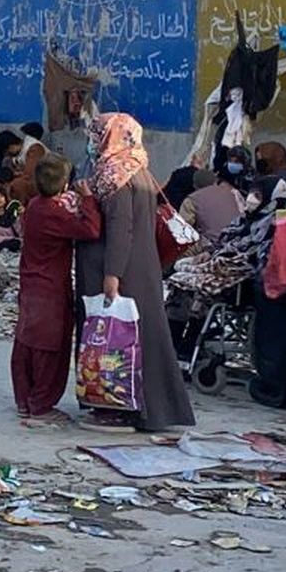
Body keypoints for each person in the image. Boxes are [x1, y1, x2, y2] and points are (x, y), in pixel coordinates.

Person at [74, 113, 197, 434]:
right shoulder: (138, 169)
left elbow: (121, 227)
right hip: (142, 268)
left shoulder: (115, 175)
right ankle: (150, 408)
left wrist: (112, 274)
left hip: (122, 272)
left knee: (118, 341)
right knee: (144, 338)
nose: (93, 139)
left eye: (97, 133)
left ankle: (118, 409)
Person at [13, 155, 101, 426]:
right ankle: (40, 406)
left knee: (26, 343)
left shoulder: (35, 207)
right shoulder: (53, 212)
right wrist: (87, 199)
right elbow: (91, 229)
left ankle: (24, 401)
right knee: (49, 347)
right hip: (50, 288)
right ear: (64, 185)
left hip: (31, 283)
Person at [180, 167, 245, 237]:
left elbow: (183, 229)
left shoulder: (191, 201)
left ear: (195, 186)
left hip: (220, 243)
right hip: (245, 233)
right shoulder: (229, 188)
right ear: (215, 181)